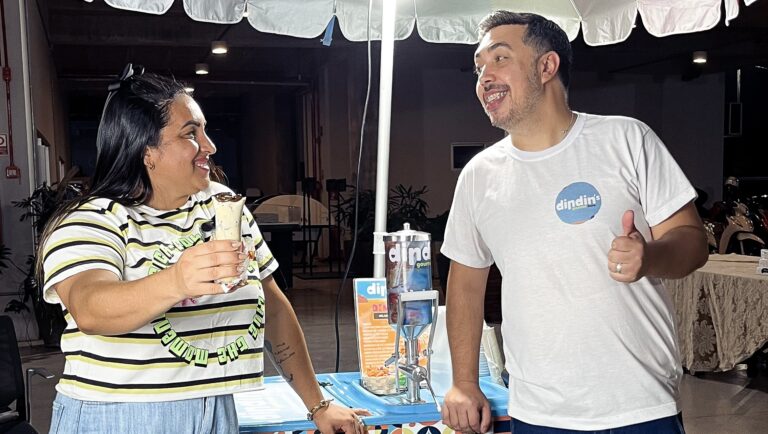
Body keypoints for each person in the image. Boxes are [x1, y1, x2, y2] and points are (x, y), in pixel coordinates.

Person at [39, 64, 367, 434]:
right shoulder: (94, 220)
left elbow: (273, 309)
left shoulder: (223, 209)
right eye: (191, 134)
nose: (209, 146)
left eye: (205, 131)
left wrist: (318, 404)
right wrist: (177, 280)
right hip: (117, 414)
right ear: (146, 150)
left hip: (216, 411)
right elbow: (90, 307)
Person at [439, 11, 709, 434]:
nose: (484, 77)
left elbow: (693, 242)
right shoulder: (479, 175)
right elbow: (466, 284)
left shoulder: (625, 139)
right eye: (478, 68)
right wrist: (464, 382)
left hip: (639, 404)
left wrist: (650, 256)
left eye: (499, 59)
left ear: (547, 66)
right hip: (539, 411)